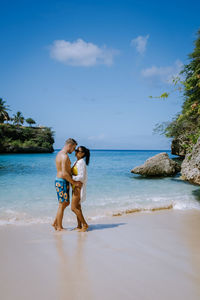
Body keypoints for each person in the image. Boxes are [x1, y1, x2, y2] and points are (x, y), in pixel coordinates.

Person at [52, 138, 82, 231]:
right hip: (62, 181)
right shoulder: (64, 156)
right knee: (62, 204)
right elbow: (64, 173)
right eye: (74, 148)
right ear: (70, 145)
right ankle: (59, 227)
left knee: (65, 203)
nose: (74, 151)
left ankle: (55, 223)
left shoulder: (59, 154)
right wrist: (74, 183)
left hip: (61, 181)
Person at [71, 146, 90, 232]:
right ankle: (79, 225)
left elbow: (81, 177)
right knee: (78, 207)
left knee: (73, 208)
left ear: (82, 153)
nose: (75, 152)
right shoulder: (77, 161)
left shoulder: (81, 162)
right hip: (75, 186)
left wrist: (71, 178)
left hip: (78, 187)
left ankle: (85, 224)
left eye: (77, 151)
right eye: (76, 150)